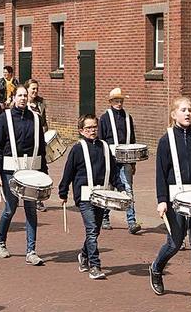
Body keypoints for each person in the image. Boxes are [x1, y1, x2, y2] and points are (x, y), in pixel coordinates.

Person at [148, 97, 191, 306]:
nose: (187, 114)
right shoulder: (165, 140)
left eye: (189, 110)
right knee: (175, 243)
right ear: (174, 114)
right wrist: (161, 200)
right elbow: (161, 173)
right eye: (183, 110)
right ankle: (156, 268)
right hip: (174, 200)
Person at [58, 114, 124, 279]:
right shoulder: (77, 149)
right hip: (85, 196)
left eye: (95, 127)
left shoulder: (104, 147)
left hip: (102, 194)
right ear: (81, 130)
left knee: (96, 230)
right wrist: (63, 192)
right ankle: (95, 265)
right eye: (88, 128)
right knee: (92, 229)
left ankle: (84, 255)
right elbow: (68, 172)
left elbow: (114, 171)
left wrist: (121, 188)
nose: (92, 130)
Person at [0, 85, 48, 265]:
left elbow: (41, 149)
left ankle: (31, 251)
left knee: (31, 210)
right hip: (10, 170)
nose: (23, 98)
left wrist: (44, 174)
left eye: (25, 95)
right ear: (14, 97)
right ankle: (0, 241)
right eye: (20, 95)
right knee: (10, 208)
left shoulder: (37, 119)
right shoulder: (4, 118)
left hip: (31, 170)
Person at [97, 87, 138, 232]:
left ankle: (131, 221)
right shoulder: (104, 118)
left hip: (126, 158)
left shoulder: (128, 117)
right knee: (110, 189)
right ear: (111, 101)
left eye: (120, 101)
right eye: (116, 101)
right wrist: (102, 161)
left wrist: (133, 162)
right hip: (110, 158)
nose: (119, 103)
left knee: (128, 188)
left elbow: (132, 139)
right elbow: (100, 141)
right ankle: (105, 217)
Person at [23, 79, 48, 211]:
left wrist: (45, 132)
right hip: (26, 143)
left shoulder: (41, 105)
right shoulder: (22, 105)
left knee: (41, 171)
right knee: (26, 170)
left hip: (39, 144)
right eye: (33, 88)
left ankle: (38, 200)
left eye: (36, 89)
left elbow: (45, 123)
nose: (35, 91)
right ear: (27, 90)